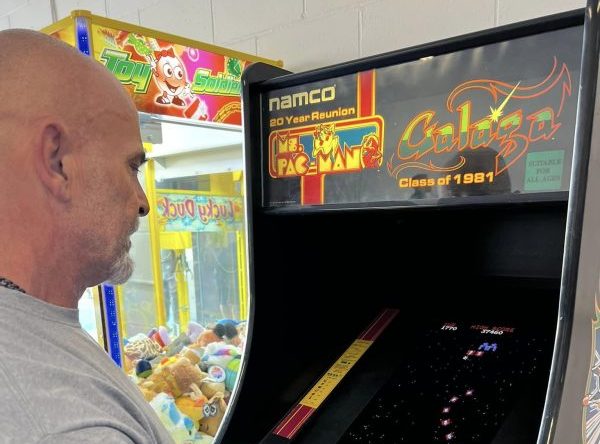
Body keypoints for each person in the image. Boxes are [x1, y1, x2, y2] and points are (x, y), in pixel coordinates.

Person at [0, 30, 174, 443]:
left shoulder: (31, 332)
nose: (142, 201)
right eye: (132, 167)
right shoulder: (65, 428)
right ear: (57, 161)